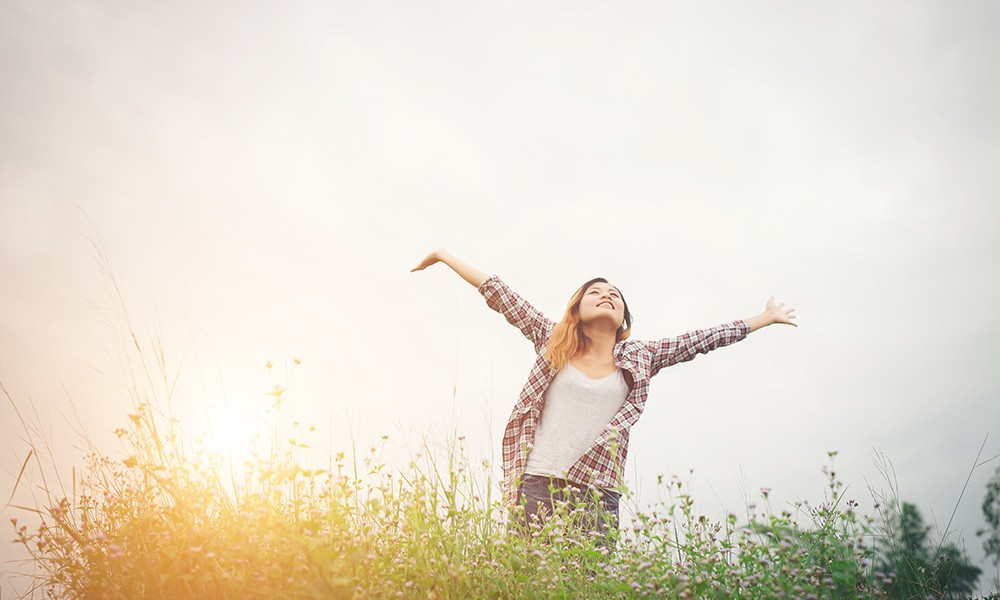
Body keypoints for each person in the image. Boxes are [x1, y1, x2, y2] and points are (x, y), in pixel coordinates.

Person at [410, 248, 797, 542]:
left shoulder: (641, 357)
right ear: (576, 309)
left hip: (598, 495)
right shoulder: (552, 342)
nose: (607, 295)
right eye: (595, 292)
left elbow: (703, 339)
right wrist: (445, 256)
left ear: (624, 319)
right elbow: (500, 295)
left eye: (614, 294)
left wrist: (763, 318)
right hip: (537, 485)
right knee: (527, 585)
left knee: (587, 587)